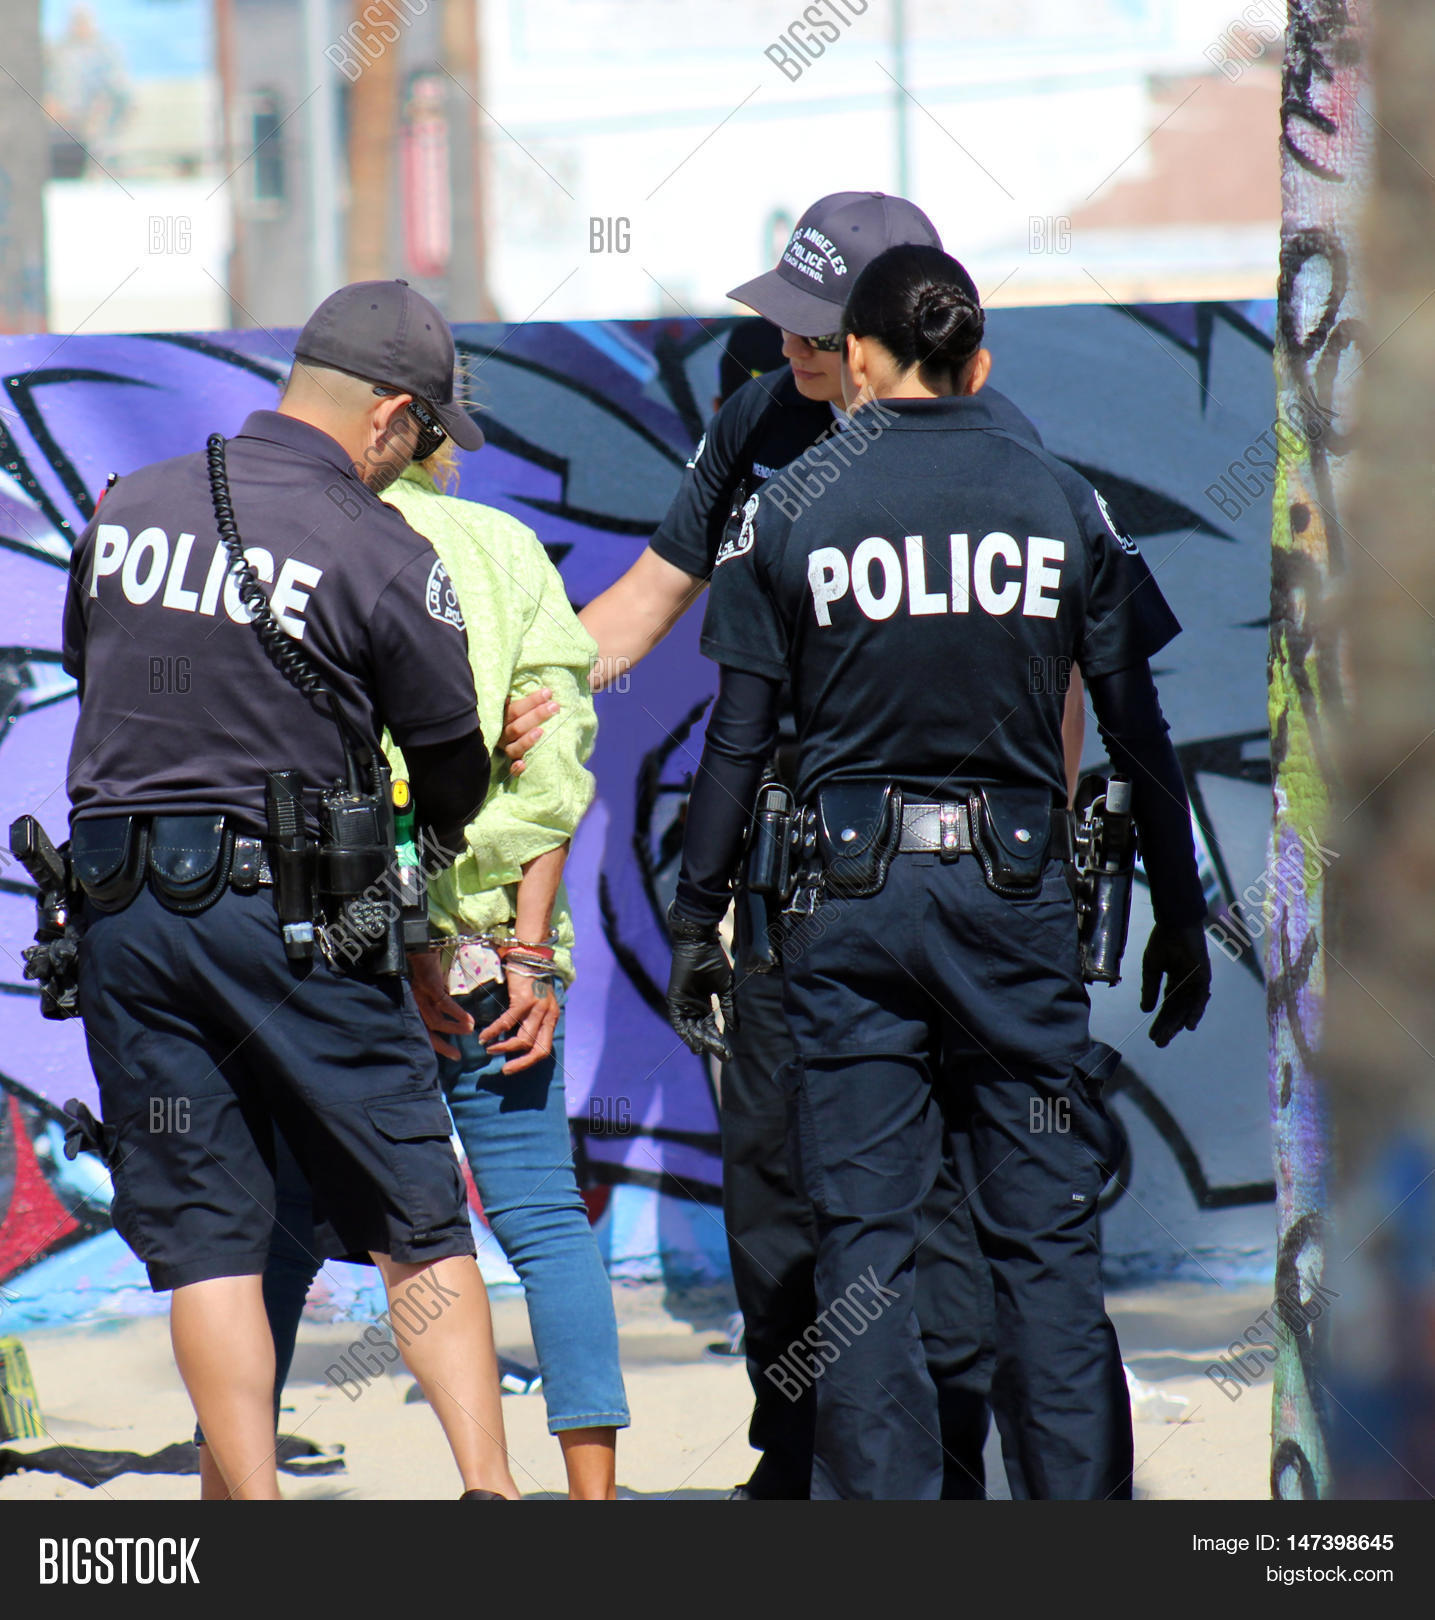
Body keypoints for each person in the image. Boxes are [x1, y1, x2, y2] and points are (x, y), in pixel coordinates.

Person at [540, 192, 1073, 1500]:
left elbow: (1056, 679)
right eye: (780, 320)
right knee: (785, 1210)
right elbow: (650, 598)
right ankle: (799, 1459)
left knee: (941, 1207)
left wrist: (1033, 859)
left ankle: (937, 1468)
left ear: (886, 331)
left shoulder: (985, 445)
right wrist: (534, 680)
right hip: (788, 888)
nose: (787, 347)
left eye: (814, 328)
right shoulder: (755, 424)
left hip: (953, 887)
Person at [663, 244, 1212, 1500]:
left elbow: (738, 741)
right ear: (978, 362)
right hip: (1015, 909)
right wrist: (1179, 916)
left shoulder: (793, 506)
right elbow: (1136, 729)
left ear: (856, 355)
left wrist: (700, 921)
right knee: (1044, 1243)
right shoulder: (1061, 499)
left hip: (844, 915)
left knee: (865, 1253)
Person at [59, 278, 518, 1501]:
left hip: (123, 918)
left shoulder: (130, 508)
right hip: (296, 913)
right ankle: (491, 1495)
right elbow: (448, 764)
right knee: (416, 1201)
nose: (417, 465)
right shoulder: (377, 545)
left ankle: (247, 1519)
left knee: (205, 1232)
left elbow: (92, 667)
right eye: (425, 440)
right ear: (390, 419)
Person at [203, 441, 630, 1500]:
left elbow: (328, 766)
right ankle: (590, 1503)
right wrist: (523, 946)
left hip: (342, 952)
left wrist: (412, 941)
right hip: (497, 943)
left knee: (284, 1230)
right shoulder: (504, 550)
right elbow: (552, 769)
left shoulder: (311, 551)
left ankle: (232, 1497)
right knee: (539, 1218)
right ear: (445, 442)